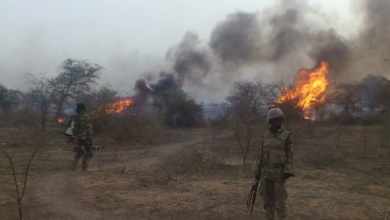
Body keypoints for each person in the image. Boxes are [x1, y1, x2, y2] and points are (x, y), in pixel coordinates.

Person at [255, 108, 295, 220]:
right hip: (266, 173)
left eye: (280, 120)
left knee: (280, 201)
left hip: (279, 173)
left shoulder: (287, 135)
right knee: (267, 201)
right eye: (275, 120)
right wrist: (258, 172)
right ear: (270, 121)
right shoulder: (265, 136)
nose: (278, 122)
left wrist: (288, 171)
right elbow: (260, 155)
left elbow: (290, 155)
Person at [72, 103, 93, 171]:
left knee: (79, 151)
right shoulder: (86, 116)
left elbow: (73, 127)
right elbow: (89, 128)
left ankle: (74, 166)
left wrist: (74, 136)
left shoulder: (75, 116)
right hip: (85, 137)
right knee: (86, 152)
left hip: (78, 137)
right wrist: (90, 138)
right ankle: (84, 168)